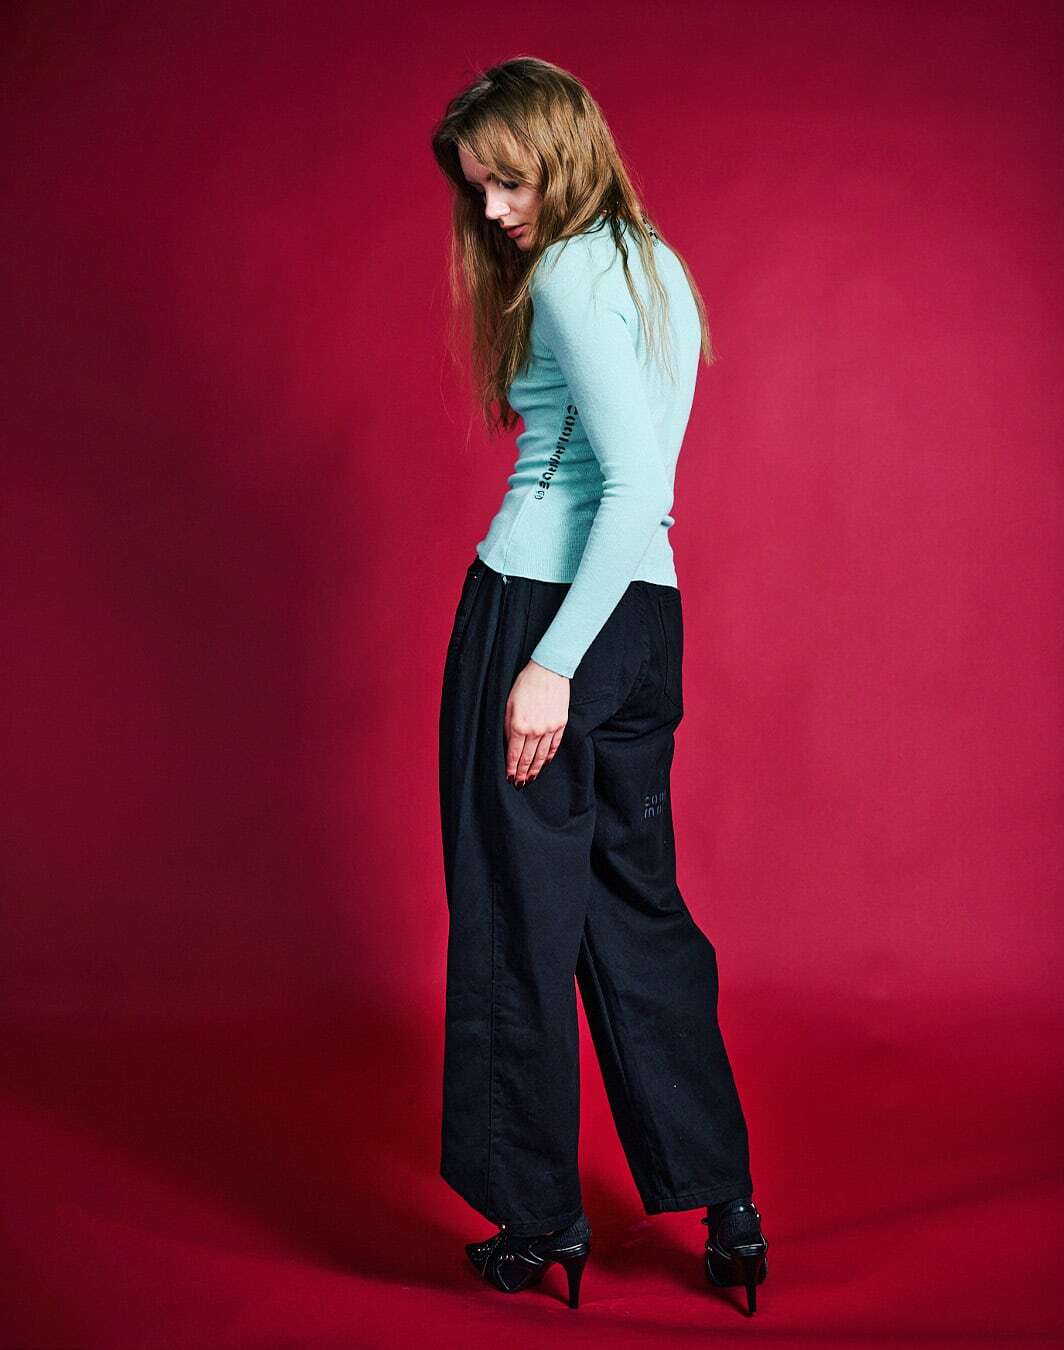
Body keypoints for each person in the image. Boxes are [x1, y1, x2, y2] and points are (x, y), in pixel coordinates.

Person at [430, 57, 769, 1315]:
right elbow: (650, 501)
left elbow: (633, 485)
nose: (493, 211)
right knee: (638, 906)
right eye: (478, 189)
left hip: (548, 610)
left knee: (518, 914)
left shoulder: (572, 271)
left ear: (565, 155)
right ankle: (726, 1204)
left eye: (510, 182)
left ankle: (537, 1219)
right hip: (646, 621)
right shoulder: (655, 262)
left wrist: (546, 666)